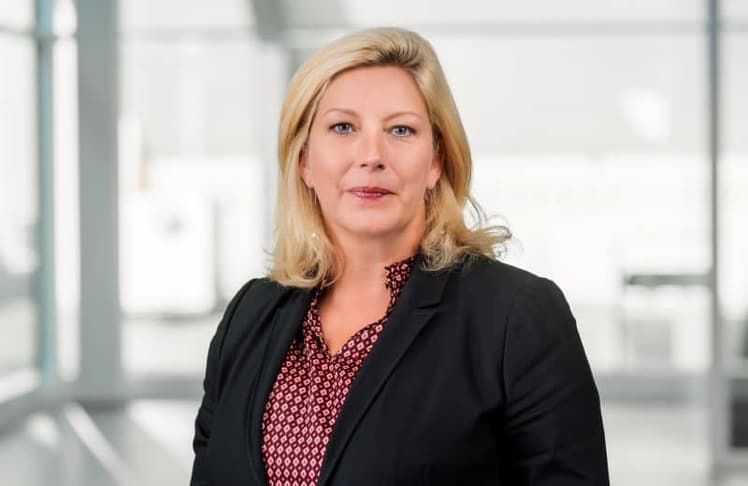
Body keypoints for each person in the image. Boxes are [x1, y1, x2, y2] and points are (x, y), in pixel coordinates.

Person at [190, 27, 609, 486]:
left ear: (436, 161)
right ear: (305, 160)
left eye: (401, 130)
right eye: (343, 127)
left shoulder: (516, 316)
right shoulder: (250, 313)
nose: (371, 155)